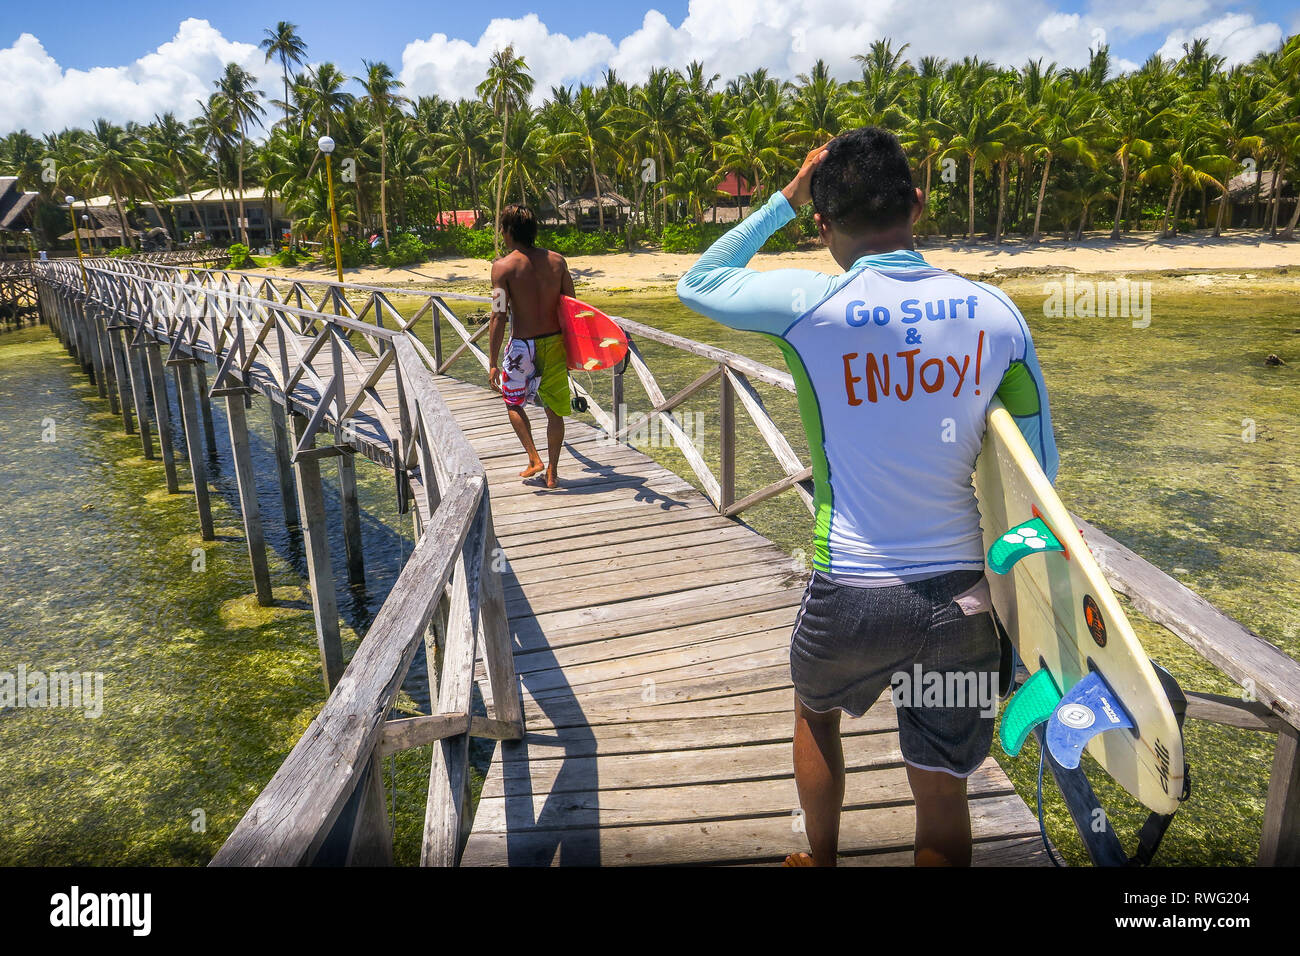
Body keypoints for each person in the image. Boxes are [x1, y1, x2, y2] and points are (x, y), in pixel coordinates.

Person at [677, 127, 1058, 866]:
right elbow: (1039, 470)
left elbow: (700, 281)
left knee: (816, 714)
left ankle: (820, 859)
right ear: (917, 202)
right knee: (944, 791)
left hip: (846, 592)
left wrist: (783, 201)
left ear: (823, 226)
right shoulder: (997, 315)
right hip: (959, 606)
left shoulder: (809, 304)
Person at [488, 204, 575, 490]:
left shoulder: (502, 267)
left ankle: (533, 458)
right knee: (554, 411)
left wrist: (492, 361)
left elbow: (499, 314)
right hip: (554, 342)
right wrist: (575, 351)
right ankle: (552, 472)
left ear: (509, 231)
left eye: (502, 228)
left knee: (513, 402)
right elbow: (572, 309)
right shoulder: (557, 262)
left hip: (522, 347)